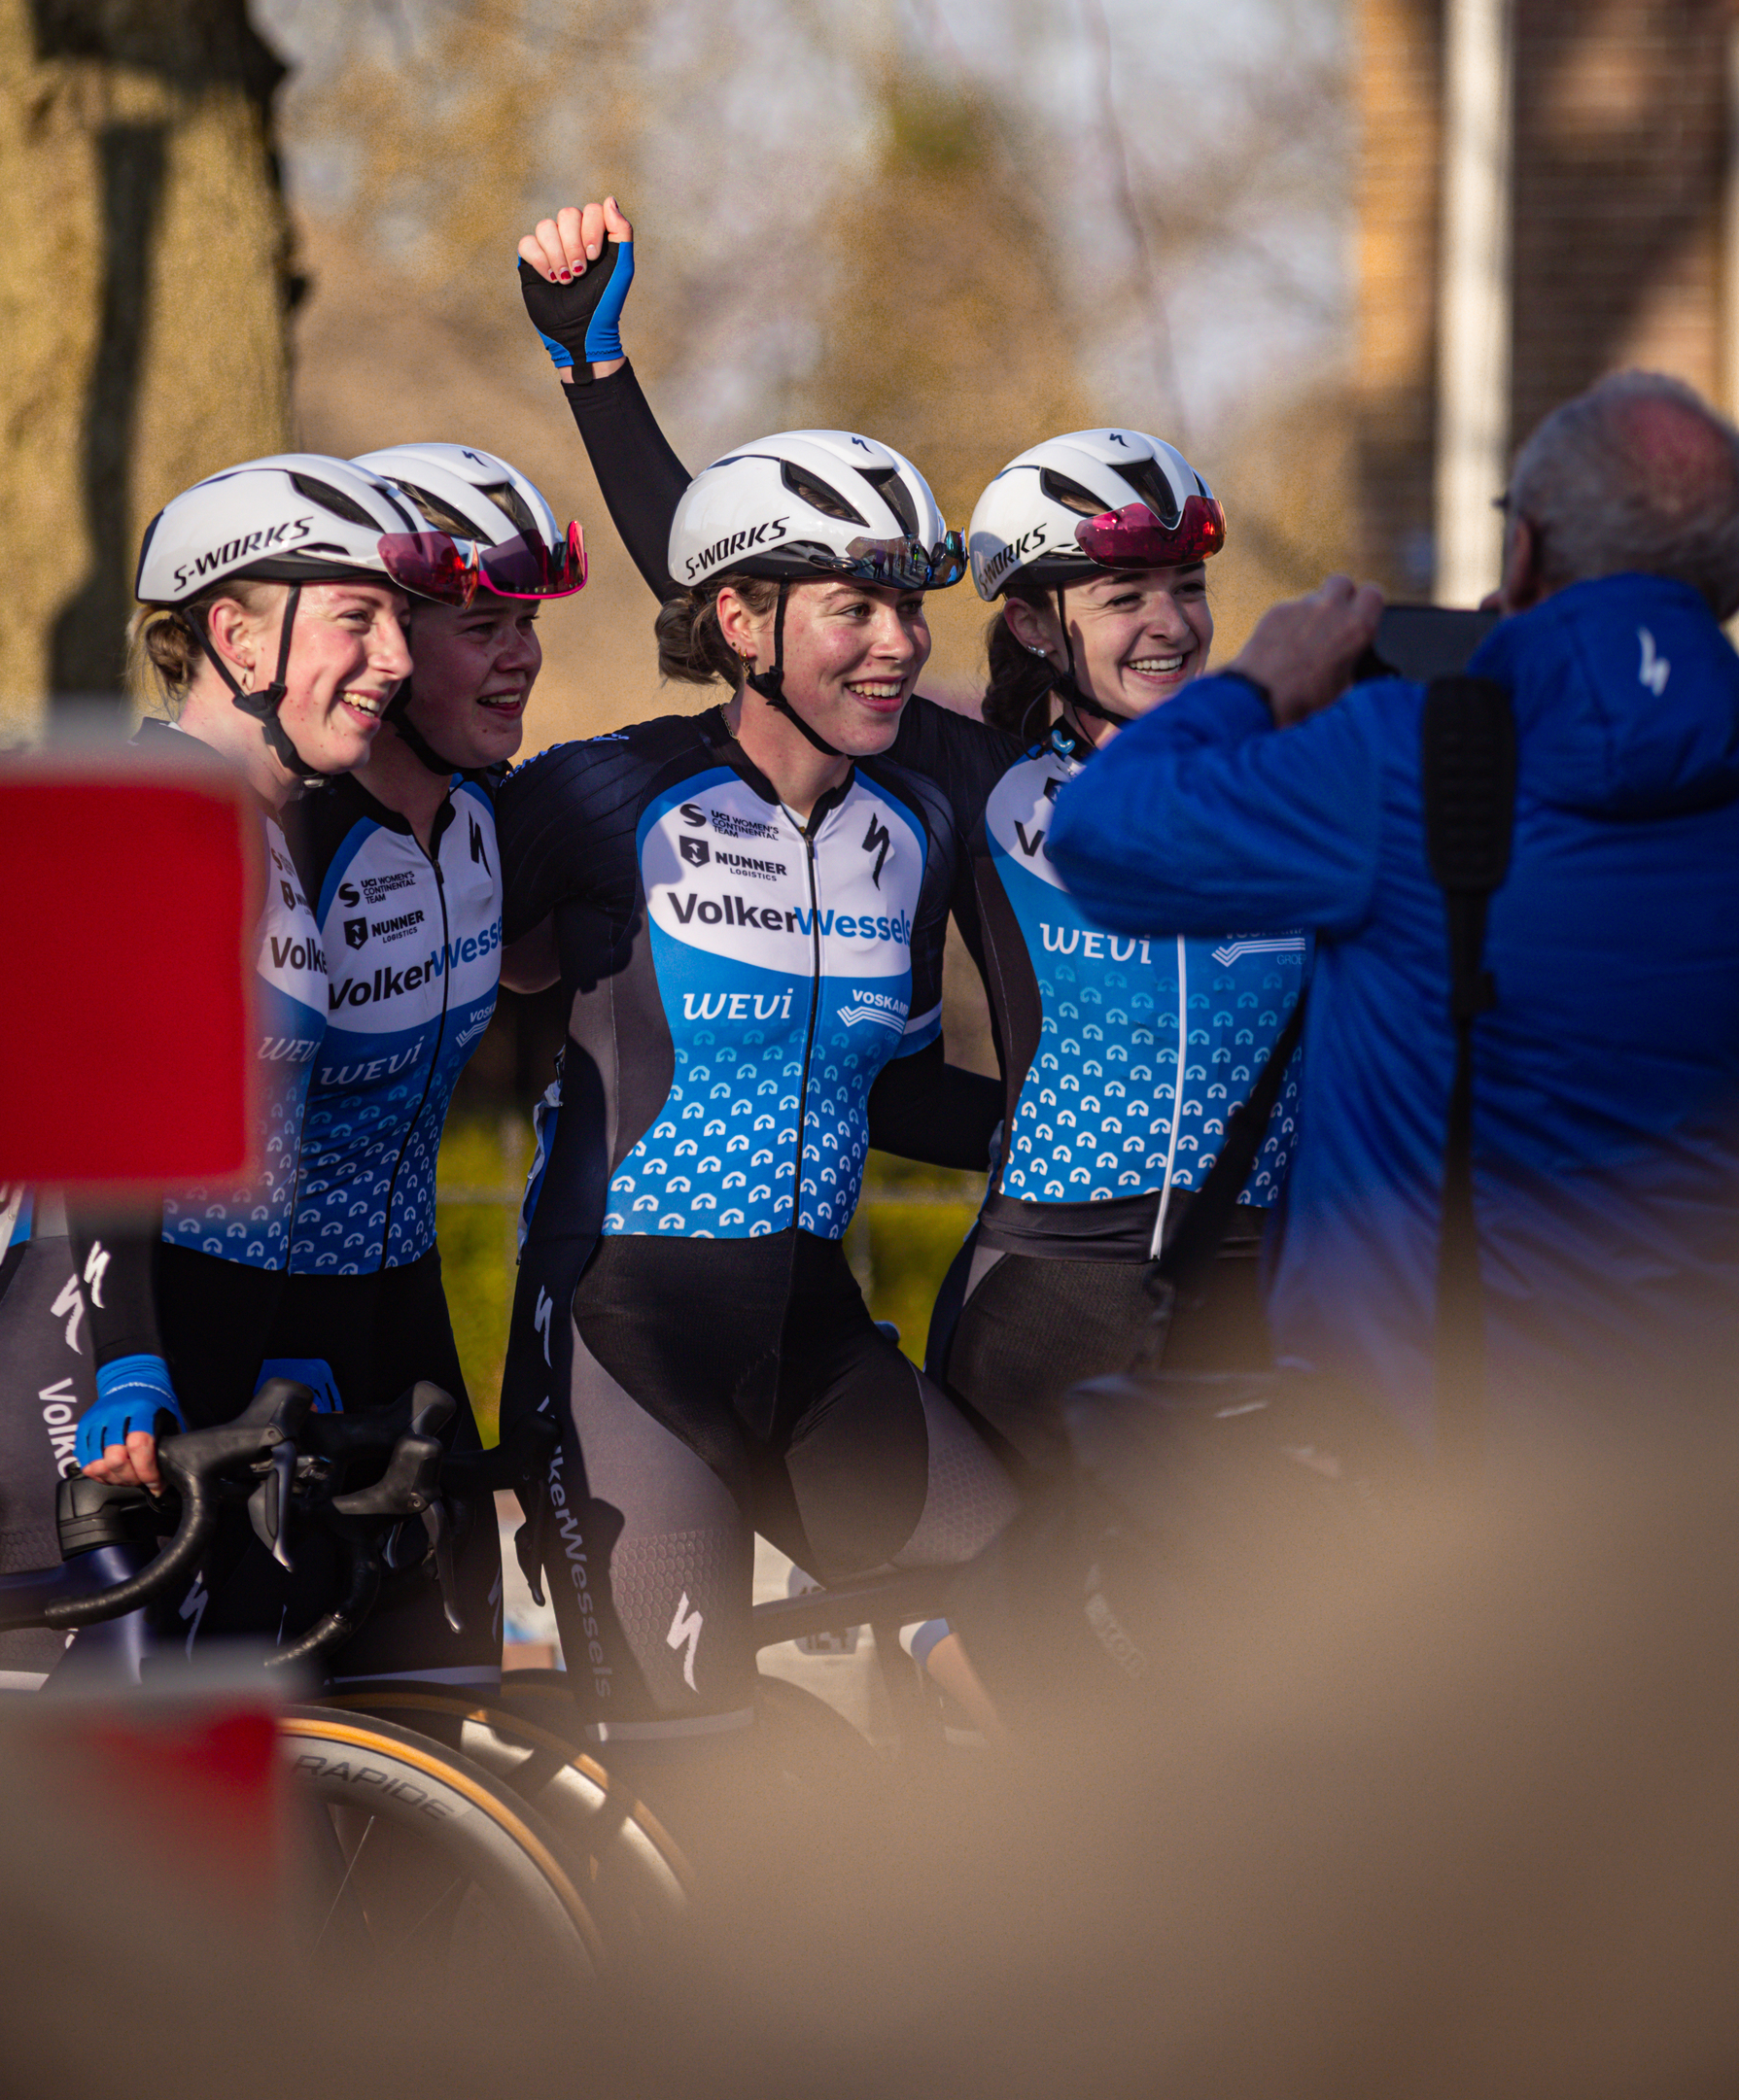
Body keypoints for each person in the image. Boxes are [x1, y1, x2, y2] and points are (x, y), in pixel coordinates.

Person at [514, 194, 1308, 1478]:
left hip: (1267, 1306)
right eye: (1126, 594)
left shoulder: (1293, 794)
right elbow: (726, 579)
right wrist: (596, 372)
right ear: (1043, 627)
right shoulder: (979, 785)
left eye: (1188, 587)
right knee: (1043, 1654)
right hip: (1053, 1305)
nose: (1171, 624)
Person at [1043, 369, 1739, 1446]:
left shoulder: (1410, 761)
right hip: (1682, 1477)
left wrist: (1260, 683)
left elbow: (1103, 832)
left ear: (1527, 551)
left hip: (1418, 1471)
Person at [495, 409, 1019, 1749]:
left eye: (911, 609)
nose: (900, 642)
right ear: (740, 621)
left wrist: (1072, 1140)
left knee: (1051, 1627)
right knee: (697, 1794)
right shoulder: (604, 795)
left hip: (814, 1339)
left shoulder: (914, 820)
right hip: (625, 1348)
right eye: (855, 607)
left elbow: (899, 1097)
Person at [0, 453, 474, 1684]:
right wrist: (131, 1360)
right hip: (87, 1353)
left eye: (399, 619)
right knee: (74, 1829)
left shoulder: (275, 831)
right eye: (357, 617)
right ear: (234, 635)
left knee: (195, 1809)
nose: (394, 657)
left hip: (204, 1343)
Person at [276, 441, 588, 1690]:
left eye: (525, 623)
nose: (519, 654)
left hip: (399, 1307)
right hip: (244, 1318)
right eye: (480, 623)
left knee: (443, 1690)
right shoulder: (291, 828)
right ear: (386, 644)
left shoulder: (485, 820)